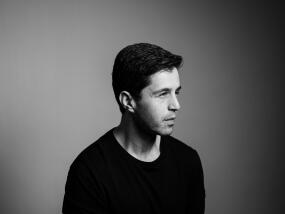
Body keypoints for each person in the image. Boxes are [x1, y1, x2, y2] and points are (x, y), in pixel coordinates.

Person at [62, 43, 205, 214]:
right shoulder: (89, 172)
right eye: (163, 94)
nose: (176, 105)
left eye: (177, 92)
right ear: (128, 101)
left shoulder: (188, 161)